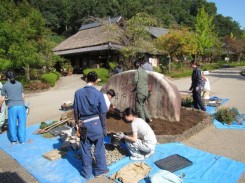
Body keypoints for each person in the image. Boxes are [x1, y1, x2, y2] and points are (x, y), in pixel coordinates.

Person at [73, 71, 109, 179]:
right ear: (96, 81)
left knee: (85, 148)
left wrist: (77, 123)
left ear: (86, 79)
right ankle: (100, 170)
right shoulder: (98, 94)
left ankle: (86, 173)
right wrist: (103, 127)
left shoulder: (78, 93)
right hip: (96, 123)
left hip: (83, 124)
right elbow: (102, 112)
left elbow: (75, 111)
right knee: (99, 148)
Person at [0, 71, 27, 144]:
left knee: (12, 124)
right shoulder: (19, 84)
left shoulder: (5, 85)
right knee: (22, 123)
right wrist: (24, 105)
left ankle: (14, 140)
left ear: (6, 77)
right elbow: (23, 96)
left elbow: (2, 99)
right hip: (21, 106)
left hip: (12, 107)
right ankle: (22, 140)